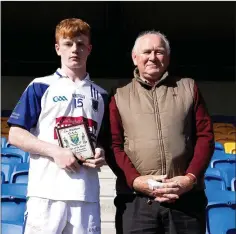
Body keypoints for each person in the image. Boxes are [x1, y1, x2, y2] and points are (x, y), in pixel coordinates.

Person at [106, 31, 214, 234]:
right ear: (134, 58)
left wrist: (189, 179)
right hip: (136, 201)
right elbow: (113, 144)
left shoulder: (188, 87)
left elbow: (205, 136)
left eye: (159, 52)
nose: (153, 57)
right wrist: (136, 181)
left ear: (168, 57)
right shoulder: (118, 94)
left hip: (185, 200)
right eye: (146, 52)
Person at [8, 18, 108, 234]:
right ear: (57, 48)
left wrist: (102, 152)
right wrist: (56, 152)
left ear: (89, 49)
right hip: (46, 193)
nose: (75, 50)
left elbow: (105, 141)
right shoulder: (40, 86)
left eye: (81, 44)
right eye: (68, 44)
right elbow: (15, 135)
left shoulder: (101, 95)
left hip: (85, 194)